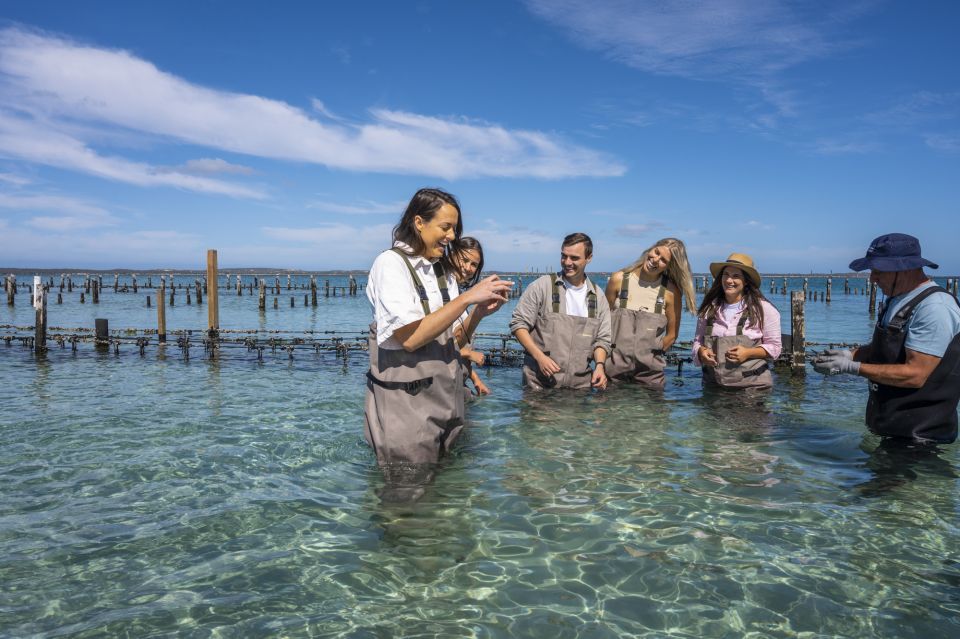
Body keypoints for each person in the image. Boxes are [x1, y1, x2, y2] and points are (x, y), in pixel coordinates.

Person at [364, 189, 513, 468]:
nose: (452, 237)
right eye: (446, 227)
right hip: (406, 408)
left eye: (455, 229)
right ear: (419, 222)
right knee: (405, 494)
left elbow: (454, 340)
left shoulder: (440, 272)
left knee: (447, 495)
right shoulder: (391, 264)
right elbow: (410, 339)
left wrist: (478, 313)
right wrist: (468, 297)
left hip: (446, 403)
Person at [813, 233, 960, 444]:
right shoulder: (897, 299)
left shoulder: (935, 307)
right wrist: (850, 354)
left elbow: (915, 374)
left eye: (878, 271)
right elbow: (891, 347)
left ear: (905, 268)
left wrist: (851, 367)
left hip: (921, 435)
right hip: (892, 425)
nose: (872, 279)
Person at [509, 232, 611, 390]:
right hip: (538, 385)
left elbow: (602, 340)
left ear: (589, 258)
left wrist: (599, 366)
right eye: (564, 256)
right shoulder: (541, 286)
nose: (567, 262)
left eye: (574, 258)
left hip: (580, 388)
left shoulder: (598, 297)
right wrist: (539, 357)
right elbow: (518, 324)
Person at [604, 238, 696, 388]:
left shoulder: (671, 292)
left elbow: (672, 335)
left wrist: (651, 355)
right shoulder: (618, 279)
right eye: (656, 252)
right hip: (613, 371)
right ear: (650, 249)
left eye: (663, 260)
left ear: (669, 266)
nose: (655, 260)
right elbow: (603, 322)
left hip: (650, 375)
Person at [692, 253, 782, 390]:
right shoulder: (708, 309)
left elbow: (775, 348)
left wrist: (748, 352)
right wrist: (701, 352)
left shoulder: (764, 309)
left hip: (753, 386)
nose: (729, 280)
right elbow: (698, 341)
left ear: (746, 281)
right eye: (726, 275)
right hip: (714, 387)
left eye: (736, 276)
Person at [451, 237, 491, 396]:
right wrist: (468, 354)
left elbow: (458, 342)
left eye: (474, 264)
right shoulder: (441, 294)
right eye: (464, 260)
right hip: (442, 384)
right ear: (452, 255)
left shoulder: (458, 293)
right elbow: (433, 347)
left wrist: (476, 379)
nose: (468, 268)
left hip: (459, 381)